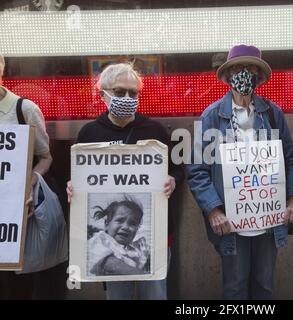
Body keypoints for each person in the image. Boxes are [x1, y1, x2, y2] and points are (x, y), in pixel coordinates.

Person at [187, 44, 293, 299]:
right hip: (231, 223)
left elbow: (290, 160)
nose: (244, 73)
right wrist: (214, 211)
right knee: (235, 288)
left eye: (250, 68)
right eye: (238, 68)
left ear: (259, 76)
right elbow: (197, 170)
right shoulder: (211, 117)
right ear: (227, 75)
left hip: (269, 220)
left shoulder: (273, 113)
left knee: (265, 286)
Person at [67, 62, 184, 300]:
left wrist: (174, 180)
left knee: (156, 295)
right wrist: (73, 187)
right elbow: (79, 177)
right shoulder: (89, 133)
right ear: (103, 94)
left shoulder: (155, 130)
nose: (128, 97)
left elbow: (178, 170)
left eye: (133, 92)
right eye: (120, 92)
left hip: (157, 236)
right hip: (111, 244)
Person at [0, 54, 69, 300]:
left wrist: (30, 181)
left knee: (18, 282)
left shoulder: (24, 109)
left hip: (16, 211)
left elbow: (46, 157)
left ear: (2, 67)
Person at [88, 196, 150, 276]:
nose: (126, 227)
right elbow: (110, 263)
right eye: (120, 220)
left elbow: (138, 264)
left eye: (133, 224)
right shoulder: (101, 241)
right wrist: (143, 276)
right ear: (107, 224)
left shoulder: (127, 250)